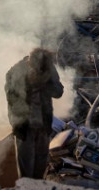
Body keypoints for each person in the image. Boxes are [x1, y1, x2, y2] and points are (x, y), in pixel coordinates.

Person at [5, 48, 64, 179]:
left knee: (41, 165)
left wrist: (45, 83)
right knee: (26, 168)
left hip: (43, 124)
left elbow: (58, 92)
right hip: (24, 126)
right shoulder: (16, 71)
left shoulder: (49, 68)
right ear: (30, 63)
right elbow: (12, 100)